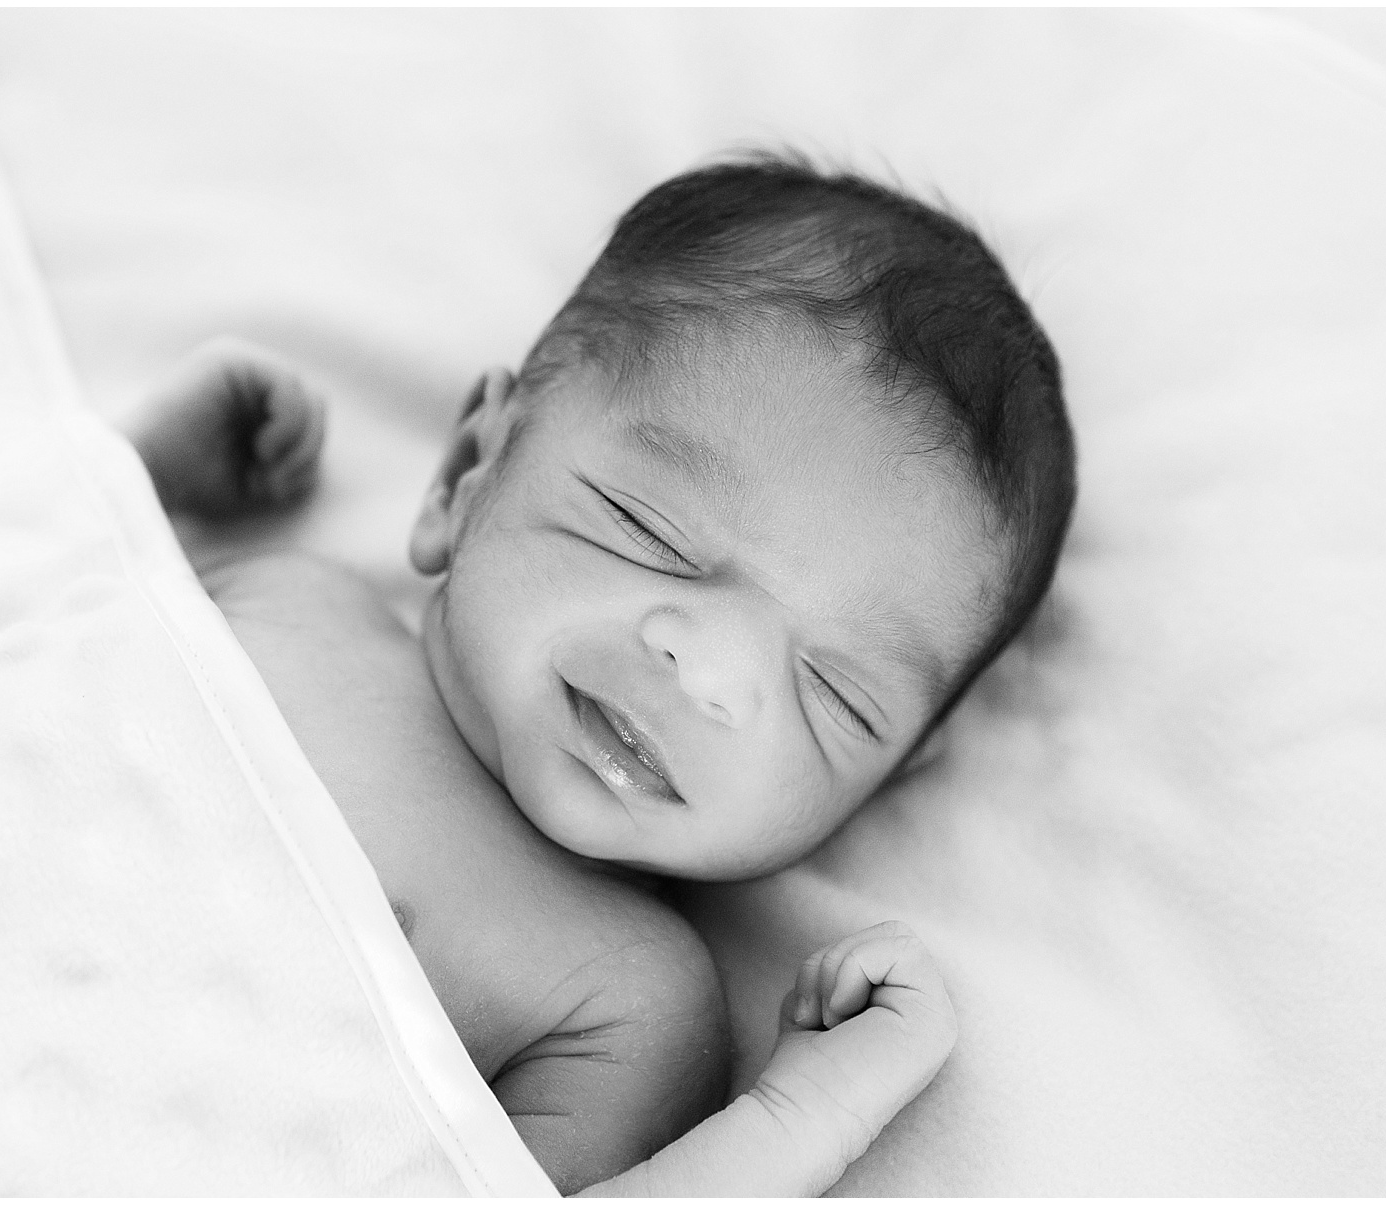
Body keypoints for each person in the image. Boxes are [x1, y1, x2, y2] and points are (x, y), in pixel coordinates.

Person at [127, 154, 1076, 1195]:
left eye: (833, 694)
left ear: (882, 781)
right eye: (649, 529)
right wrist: (134, 476)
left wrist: (811, 1111)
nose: (708, 671)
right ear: (466, 472)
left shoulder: (628, 998)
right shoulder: (286, 604)